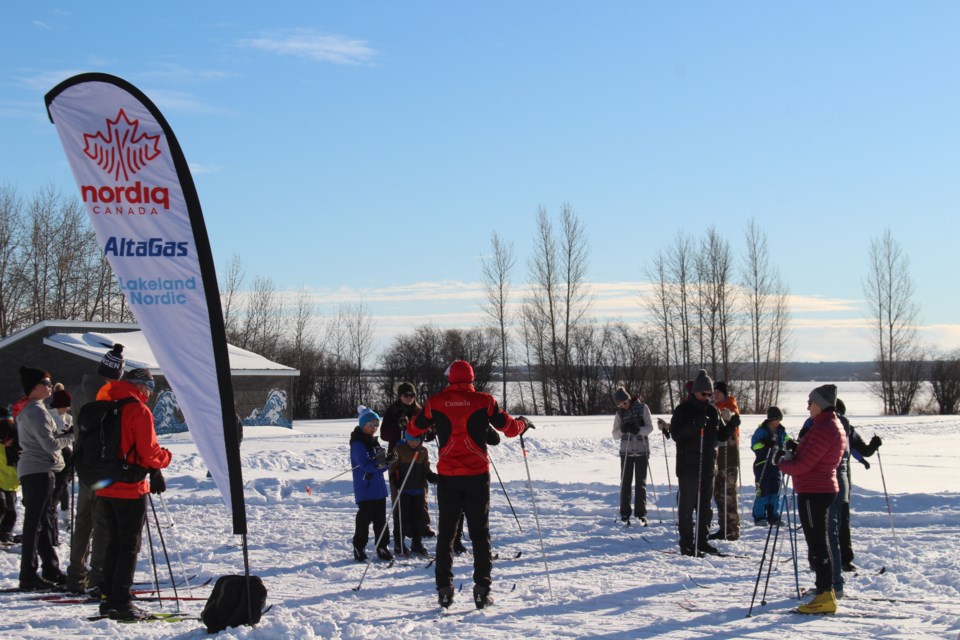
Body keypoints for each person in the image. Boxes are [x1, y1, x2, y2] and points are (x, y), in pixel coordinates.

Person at [406, 359, 530, 610]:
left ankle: (444, 590)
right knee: (480, 533)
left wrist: (429, 430)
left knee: (447, 534)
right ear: (471, 378)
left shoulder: (435, 402)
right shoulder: (484, 401)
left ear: (450, 378)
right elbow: (509, 429)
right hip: (476, 476)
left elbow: (413, 429)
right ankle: (482, 590)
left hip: (449, 477)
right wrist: (524, 423)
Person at [94, 368, 172, 620]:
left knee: (113, 541)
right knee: (129, 545)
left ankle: (108, 596)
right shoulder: (138, 410)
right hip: (130, 486)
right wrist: (165, 459)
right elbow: (149, 452)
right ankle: (121, 600)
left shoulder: (107, 404)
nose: (149, 394)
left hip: (105, 483)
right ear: (140, 386)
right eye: (149, 388)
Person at [778, 384, 845, 615]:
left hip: (815, 490)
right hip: (818, 487)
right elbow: (812, 455)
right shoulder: (824, 425)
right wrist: (796, 448)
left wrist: (782, 463)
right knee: (818, 541)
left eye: (810, 402)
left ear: (821, 404)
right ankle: (824, 589)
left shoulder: (825, 427)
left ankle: (826, 593)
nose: (808, 407)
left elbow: (806, 465)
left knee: (817, 544)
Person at [66, 348, 125, 595]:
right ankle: (98, 575)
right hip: (103, 466)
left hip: (83, 464)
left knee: (83, 522)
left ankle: (75, 575)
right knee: (102, 522)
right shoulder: (107, 394)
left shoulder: (80, 391)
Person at [16, 367, 75, 590]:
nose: (50, 386)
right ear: (34, 386)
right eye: (45, 382)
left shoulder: (34, 409)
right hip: (39, 470)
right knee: (34, 524)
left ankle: (50, 568)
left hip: (38, 470)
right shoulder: (36, 412)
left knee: (42, 522)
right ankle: (28, 574)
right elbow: (49, 445)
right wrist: (72, 435)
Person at [668, 369, 732, 557]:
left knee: (705, 506)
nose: (707, 397)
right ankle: (687, 543)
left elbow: (719, 436)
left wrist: (731, 426)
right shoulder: (683, 409)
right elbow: (676, 435)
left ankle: (702, 541)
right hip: (688, 466)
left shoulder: (712, 411)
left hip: (707, 465)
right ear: (695, 391)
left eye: (710, 394)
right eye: (704, 394)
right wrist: (695, 425)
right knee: (687, 506)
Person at [380, 382, 435, 540]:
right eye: (406, 395)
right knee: (399, 492)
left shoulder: (419, 411)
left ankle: (422, 526)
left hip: (417, 455)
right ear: (400, 396)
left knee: (420, 491)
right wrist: (398, 427)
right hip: (398, 456)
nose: (409, 398)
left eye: (412, 395)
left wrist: (431, 431)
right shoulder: (393, 411)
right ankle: (403, 527)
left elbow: (428, 435)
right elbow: (384, 434)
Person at [834, 398, 882, 573]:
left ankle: (841, 560)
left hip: (840, 481)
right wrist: (872, 447)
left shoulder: (847, 429)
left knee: (838, 520)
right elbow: (863, 450)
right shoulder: (843, 428)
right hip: (834, 481)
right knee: (839, 520)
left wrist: (873, 446)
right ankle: (840, 560)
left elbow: (860, 451)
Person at [350, 406, 393, 563]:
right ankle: (359, 547)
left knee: (381, 520)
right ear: (363, 424)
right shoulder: (358, 444)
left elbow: (380, 468)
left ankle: (382, 546)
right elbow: (365, 465)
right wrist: (380, 463)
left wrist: (388, 461)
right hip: (366, 489)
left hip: (379, 489)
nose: (375, 428)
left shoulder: (374, 442)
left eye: (377, 425)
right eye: (372, 424)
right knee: (364, 520)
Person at [389, 429, 438, 555]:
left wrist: (430, 476)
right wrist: (394, 478)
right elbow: (392, 468)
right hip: (404, 489)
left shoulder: (423, 451)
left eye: (416, 440)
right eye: (410, 440)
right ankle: (399, 544)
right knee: (402, 517)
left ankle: (417, 543)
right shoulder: (400, 449)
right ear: (406, 438)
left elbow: (426, 468)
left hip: (418, 490)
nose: (413, 443)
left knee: (418, 518)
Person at [611, 386, 653, 526]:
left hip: (642, 450)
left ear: (629, 398)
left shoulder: (643, 408)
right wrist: (623, 430)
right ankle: (624, 513)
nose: (624, 405)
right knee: (625, 483)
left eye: (625, 402)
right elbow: (614, 435)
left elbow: (650, 428)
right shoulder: (619, 414)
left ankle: (641, 514)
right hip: (626, 452)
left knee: (640, 483)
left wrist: (638, 430)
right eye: (620, 404)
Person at [709, 381, 741, 541]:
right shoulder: (714, 408)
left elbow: (732, 420)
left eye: (718, 393)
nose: (716, 395)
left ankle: (732, 529)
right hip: (718, 458)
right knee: (719, 494)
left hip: (729, 457)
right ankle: (723, 527)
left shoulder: (730, 407)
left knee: (729, 495)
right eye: (714, 392)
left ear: (724, 394)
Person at [750, 406, 792, 526]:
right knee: (762, 490)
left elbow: (786, 440)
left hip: (776, 465)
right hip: (763, 464)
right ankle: (759, 516)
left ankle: (774, 515)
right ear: (770, 419)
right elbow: (754, 445)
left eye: (780, 419)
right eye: (776, 419)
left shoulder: (781, 431)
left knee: (775, 490)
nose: (778, 422)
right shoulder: (761, 430)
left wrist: (790, 444)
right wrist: (764, 444)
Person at [48, 384, 73, 541]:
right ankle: (53, 514)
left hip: (67, 455)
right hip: (54, 455)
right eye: (66, 406)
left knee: (63, 486)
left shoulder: (68, 418)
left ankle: (64, 515)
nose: (68, 409)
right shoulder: (50, 416)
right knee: (58, 487)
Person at [0, 406, 20, 545]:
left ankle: (5, 536)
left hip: (12, 483)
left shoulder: (17, 444)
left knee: (11, 512)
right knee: (2, 507)